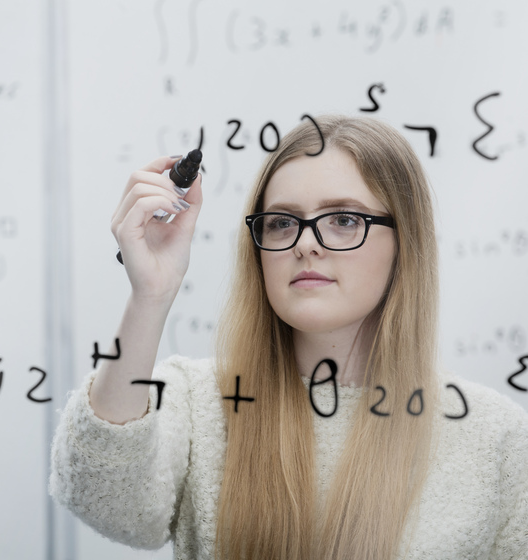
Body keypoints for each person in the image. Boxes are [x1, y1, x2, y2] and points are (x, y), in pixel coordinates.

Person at [49, 115, 528, 559]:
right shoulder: (198, 403)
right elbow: (99, 495)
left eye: (343, 219)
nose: (305, 243)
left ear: (406, 241)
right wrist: (149, 296)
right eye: (281, 222)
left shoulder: (497, 438)